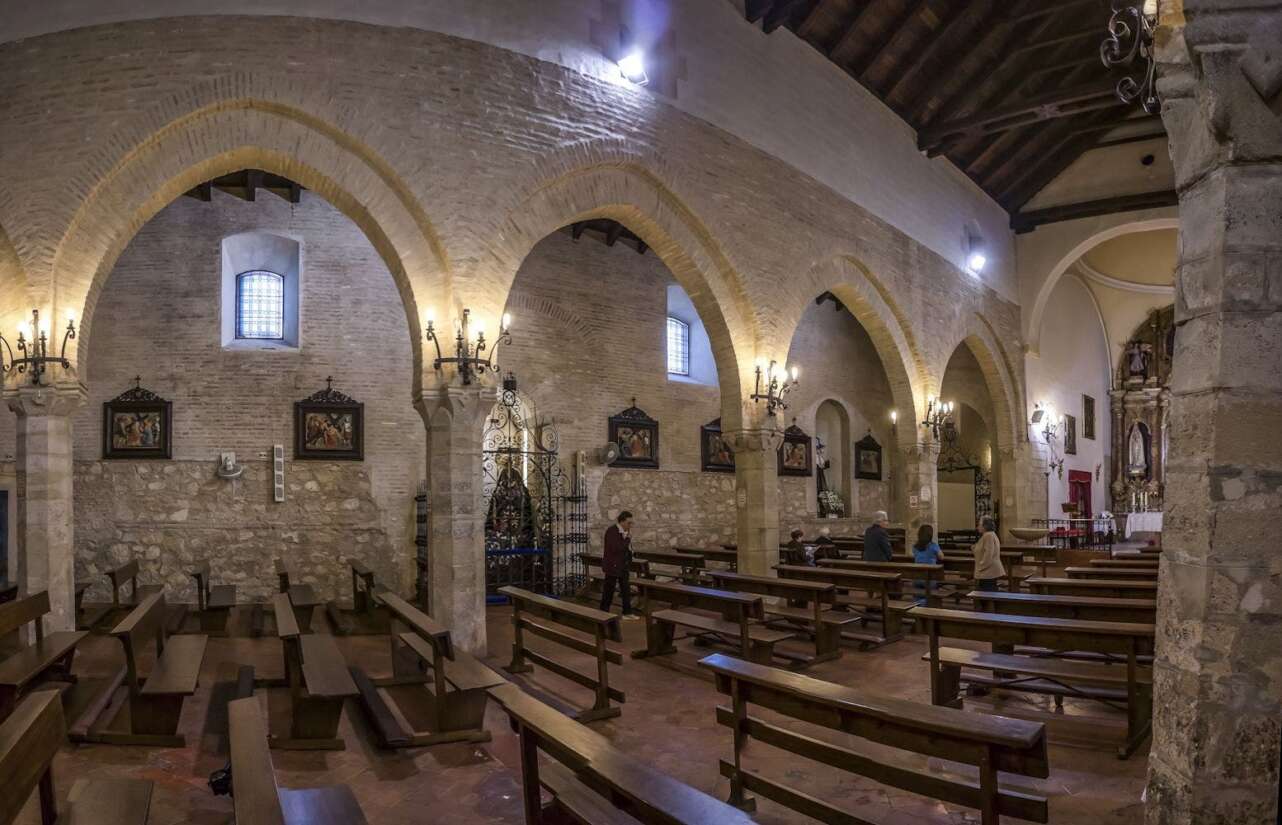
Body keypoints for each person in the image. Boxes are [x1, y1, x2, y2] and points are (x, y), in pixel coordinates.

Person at [600, 511, 638, 618]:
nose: (630, 525)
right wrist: (627, 539)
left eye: (631, 523)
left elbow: (626, 549)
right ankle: (603, 612)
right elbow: (616, 548)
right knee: (609, 590)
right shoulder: (612, 531)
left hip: (623, 565)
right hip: (613, 565)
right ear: (622, 521)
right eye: (628, 523)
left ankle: (627, 612)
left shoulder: (624, 532)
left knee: (626, 589)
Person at [910, 524, 944, 606]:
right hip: (929, 578)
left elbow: (916, 556)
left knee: (918, 593)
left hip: (917, 577)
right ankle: (924, 605)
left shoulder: (915, 546)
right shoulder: (933, 546)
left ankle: (917, 605)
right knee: (930, 592)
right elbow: (942, 557)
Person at [972, 517, 1004, 592]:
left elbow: (988, 554)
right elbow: (983, 550)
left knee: (987, 594)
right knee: (986, 593)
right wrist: (975, 548)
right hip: (988, 571)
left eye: (979, 525)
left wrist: (981, 566)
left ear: (985, 526)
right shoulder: (988, 535)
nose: (977, 527)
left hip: (988, 571)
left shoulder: (988, 536)